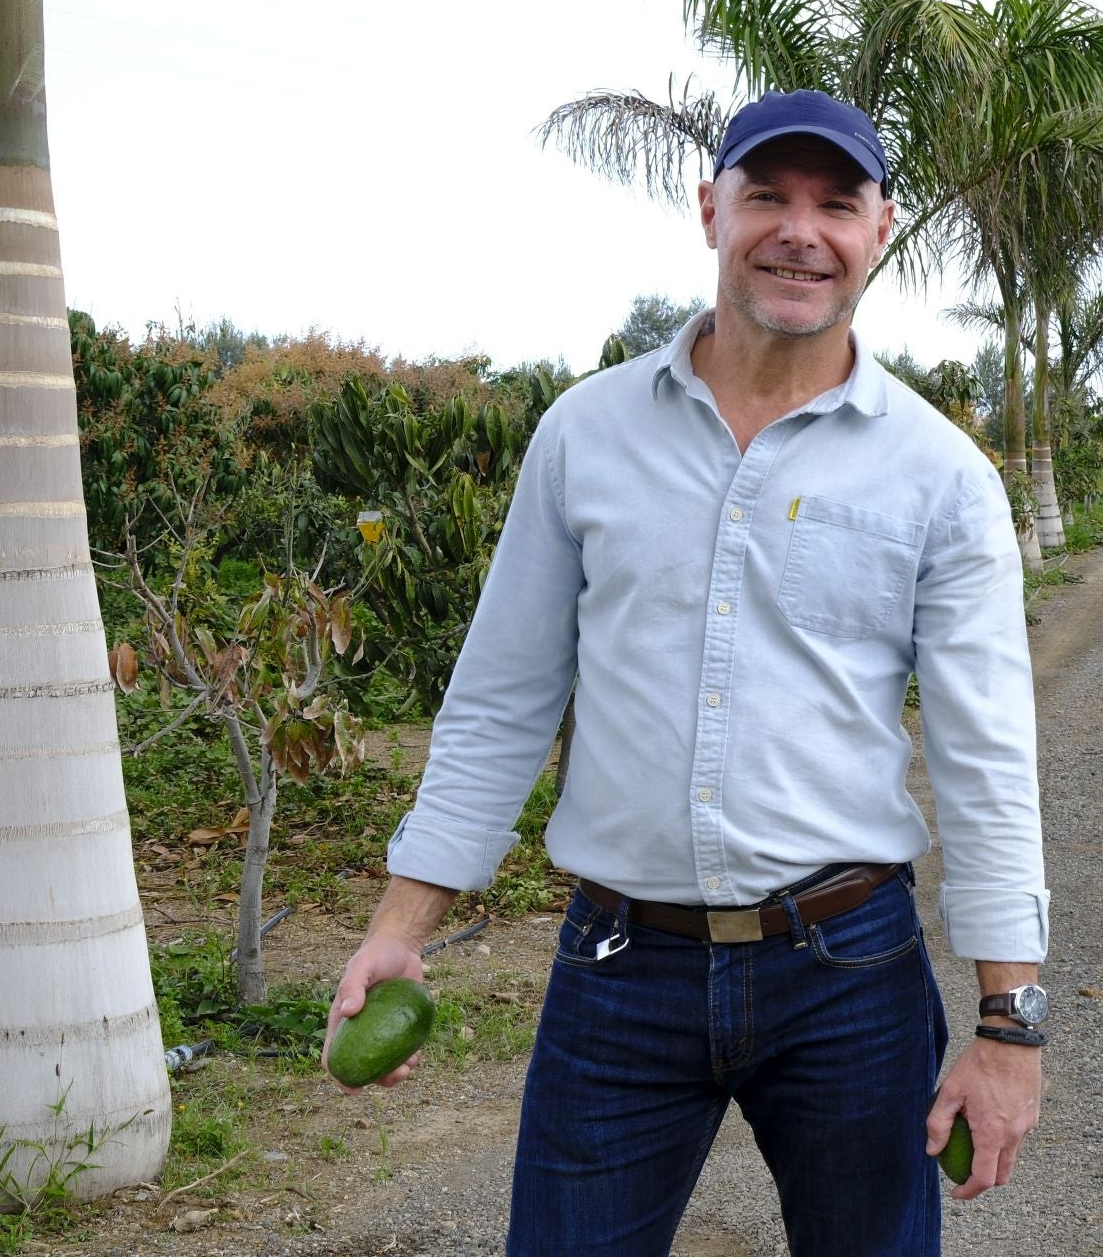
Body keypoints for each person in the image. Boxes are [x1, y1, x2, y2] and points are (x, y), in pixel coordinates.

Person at [322, 88, 1050, 1257]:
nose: (799, 230)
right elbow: (504, 695)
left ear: (882, 230)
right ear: (711, 208)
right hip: (618, 965)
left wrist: (1010, 1022)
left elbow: (986, 757)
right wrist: (403, 923)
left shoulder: (940, 475)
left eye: (836, 203)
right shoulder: (585, 433)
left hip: (849, 971)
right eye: (767, 195)